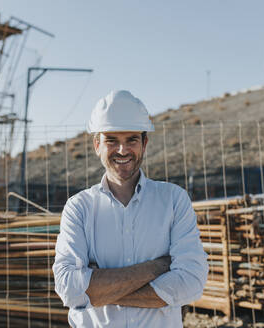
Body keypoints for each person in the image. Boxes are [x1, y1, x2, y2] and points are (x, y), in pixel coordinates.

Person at [53, 90, 208, 327]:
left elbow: (191, 282)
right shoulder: (79, 208)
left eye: (131, 140)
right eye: (112, 140)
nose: (123, 150)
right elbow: (68, 288)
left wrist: (97, 291)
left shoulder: (174, 200)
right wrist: (157, 268)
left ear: (144, 143)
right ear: (97, 145)